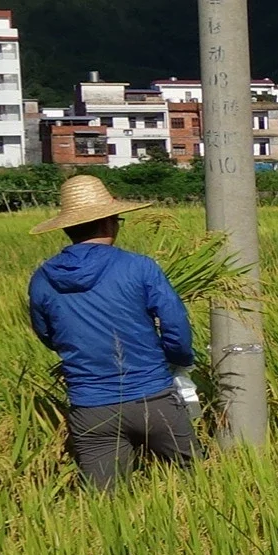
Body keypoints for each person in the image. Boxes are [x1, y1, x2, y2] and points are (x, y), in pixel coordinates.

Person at [26, 174, 199, 489]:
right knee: (199, 486)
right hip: (154, 399)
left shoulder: (42, 278)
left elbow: (49, 336)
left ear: (67, 228)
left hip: (91, 409)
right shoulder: (140, 267)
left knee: (104, 502)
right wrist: (177, 360)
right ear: (109, 223)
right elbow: (176, 325)